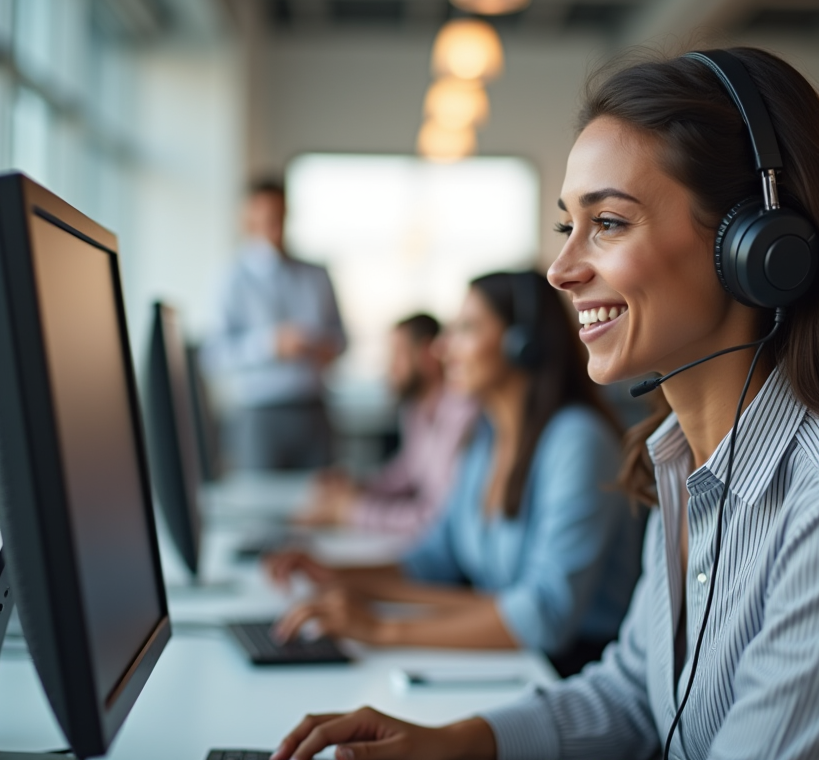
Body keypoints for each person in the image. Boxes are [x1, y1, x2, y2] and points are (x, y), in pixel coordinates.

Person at [269, 48, 819, 760]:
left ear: (757, 248)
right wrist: (453, 743)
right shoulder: (682, 459)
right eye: (567, 226)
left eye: (609, 223)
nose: (562, 269)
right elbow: (633, 696)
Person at [266, 271, 642, 677]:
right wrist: (335, 575)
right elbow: (434, 557)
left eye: (466, 329)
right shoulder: (485, 438)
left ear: (523, 346)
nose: (443, 349)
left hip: (574, 671)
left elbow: (545, 614)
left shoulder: (577, 442)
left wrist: (379, 628)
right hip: (513, 659)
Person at [201, 178, 346, 470]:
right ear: (248, 220)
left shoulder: (316, 275)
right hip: (259, 415)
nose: (274, 227)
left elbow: (343, 340)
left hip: (315, 411)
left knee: (319, 505)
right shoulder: (231, 279)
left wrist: (322, 348)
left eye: (279, 217)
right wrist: (270, 345)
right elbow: (213, 356)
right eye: (266, 218)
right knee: (258, 506)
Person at [295, 313, 479, 538]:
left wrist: (350, 512)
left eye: (397, 356)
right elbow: (409, 471)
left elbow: (434, 519)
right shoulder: (418, 407)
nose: (389, 369)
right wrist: (359, 488)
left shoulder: (462, 414)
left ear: (427, 355)